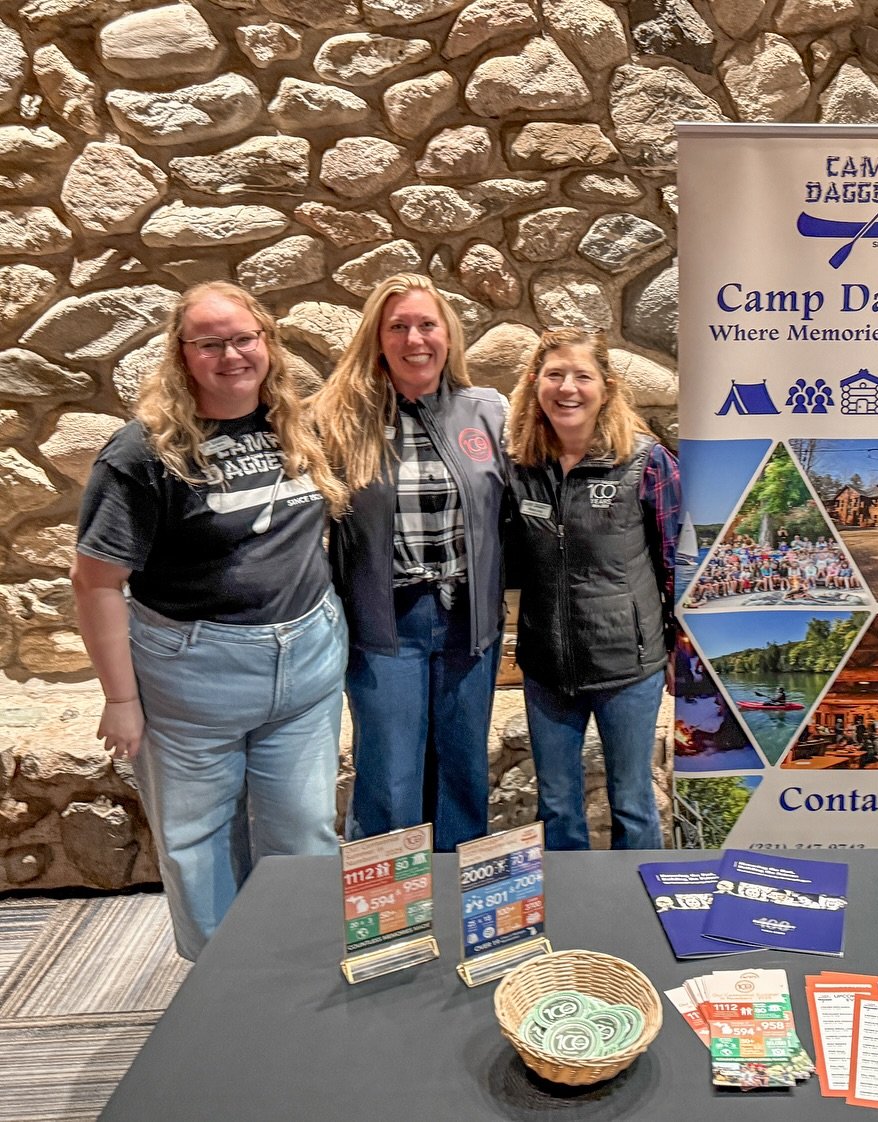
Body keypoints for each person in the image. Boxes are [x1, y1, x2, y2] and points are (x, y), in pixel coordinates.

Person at [72, 281, 350, 960]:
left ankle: (299, 972)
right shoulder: (142, 454)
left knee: (305, 830)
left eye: (244, 338)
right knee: (198, 842)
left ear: (267, 342)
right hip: (193, 677)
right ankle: (222, 986)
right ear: (183, 354)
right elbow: (96, 581)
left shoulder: (299, 424)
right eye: (211, 342)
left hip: (306, 664)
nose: (232, 354)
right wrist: (120, 700)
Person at [309, 273, 508, 852]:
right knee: (390, 775)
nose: (414, 338)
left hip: (468, 621)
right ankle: (390, 920)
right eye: (398, 327)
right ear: (377, 339)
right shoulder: (337, 420)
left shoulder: (487, 412)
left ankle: (461, 901)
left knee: (464, 769)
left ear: (449, 335)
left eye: (427, 324)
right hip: (386, 622)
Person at [507, 327, 680, 850]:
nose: (568, 388)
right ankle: (568, 918)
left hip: (628, 667)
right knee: (556, 805)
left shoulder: (646, 463)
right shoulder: (519, 468)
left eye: (582, 376)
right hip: (547, 671)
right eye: (555, 375)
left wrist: (681, 646)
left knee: (632, 801)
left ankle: (640, 914)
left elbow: (678, 561)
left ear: (606, 388)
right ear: (535, 384)